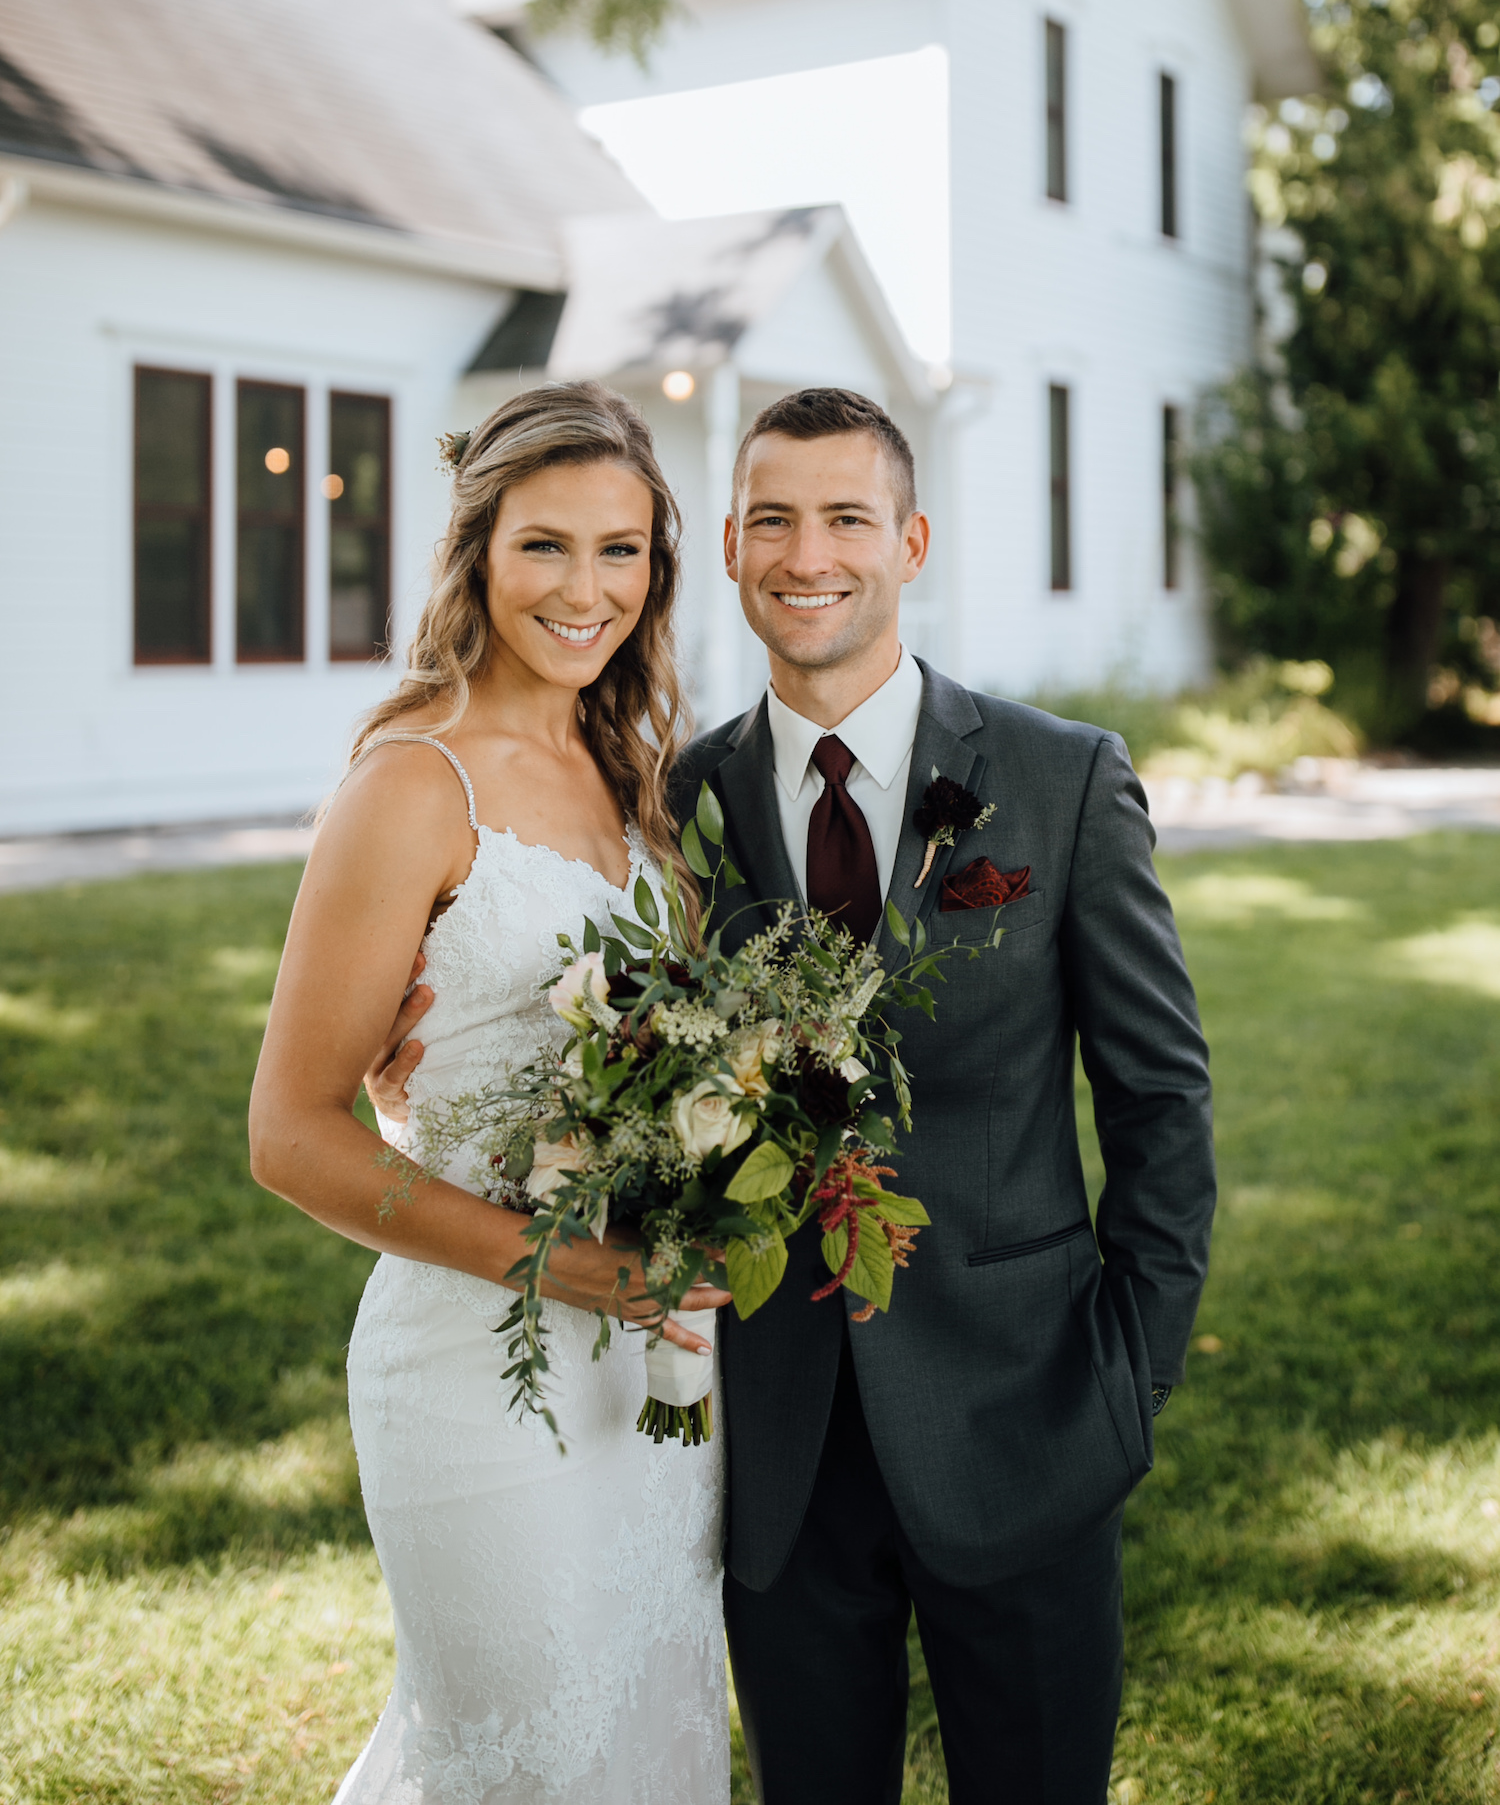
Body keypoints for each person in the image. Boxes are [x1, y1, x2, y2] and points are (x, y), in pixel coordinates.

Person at [370, 384, 1216, 1805]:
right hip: (771, 1453)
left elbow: (1161, 1104)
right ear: (733, 547)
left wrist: (1130, 1379)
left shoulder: (1062, 781)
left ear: (912, 539)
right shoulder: (667, 808)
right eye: (771, 517)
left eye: (845, 516)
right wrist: (423, 1082)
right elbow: (599, 1057)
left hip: (1030, 1423)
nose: (806, 553)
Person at [249, 382, 733, 1805]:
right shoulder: (414, 781)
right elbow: (287, 1133)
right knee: (534, 1760)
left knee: (649, 1736)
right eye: (547, 547)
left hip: (654, 1381)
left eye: (622, 551)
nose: (587, 591)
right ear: (478, 549)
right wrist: (575, 1265)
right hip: (483, 1368)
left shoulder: (628, 768)